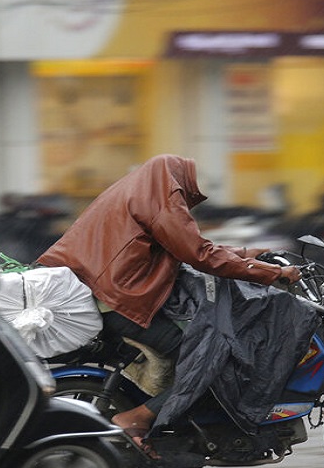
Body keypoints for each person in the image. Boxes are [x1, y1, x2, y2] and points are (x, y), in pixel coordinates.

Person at [37, 154, 302, 446]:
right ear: (177, 182)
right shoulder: (161, 197)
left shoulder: (136, 190)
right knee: (212, 355)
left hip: (105, 294)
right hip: (119, 302)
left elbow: (188, 244)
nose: (186, 200)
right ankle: (138, 416)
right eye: (188, 193)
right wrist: (273, 273)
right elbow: (199, 254)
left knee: (202, 347)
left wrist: (244, 254)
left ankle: (176, 417)